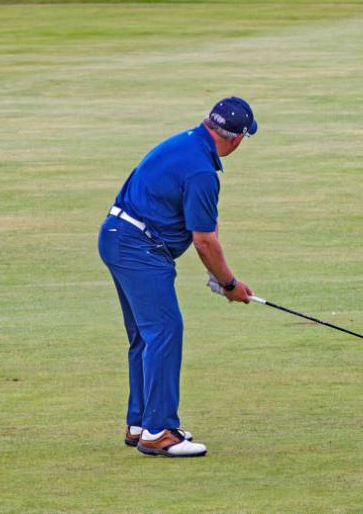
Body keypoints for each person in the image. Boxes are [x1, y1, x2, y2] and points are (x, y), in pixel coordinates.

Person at [98, 97, 258, 458]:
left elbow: (205, 228)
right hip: (139, 248)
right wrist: (230, 285)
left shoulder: (184, 142)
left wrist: (219, 275)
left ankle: (140, 423)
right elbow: (203, 242)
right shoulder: (202, 171)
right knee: (165, 331)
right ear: (236, 139)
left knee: (145, 334)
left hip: (117, 236)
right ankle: (158, 431)